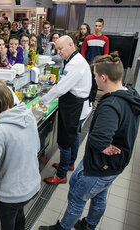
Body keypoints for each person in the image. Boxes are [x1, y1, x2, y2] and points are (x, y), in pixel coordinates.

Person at [39, 52, 140, 230]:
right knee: (100, 195)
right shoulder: (130, 94)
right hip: (115, 164)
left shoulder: (111, 105)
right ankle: (89, 225)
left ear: (103, 77)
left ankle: (62, 228)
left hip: (101, 165)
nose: (94, 79)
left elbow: (99, 138)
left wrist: (102, 146)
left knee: (76, 198)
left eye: (95, 75)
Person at [0, 80, 41, 230]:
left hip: (11, 195)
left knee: (8, 224)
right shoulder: (28, 116)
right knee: (19, 215)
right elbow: (36, 147)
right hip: (32, 186)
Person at [38, 35, 92, 184]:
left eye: (61, 48)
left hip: (74, 107)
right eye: (57, 49)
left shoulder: (75, 64)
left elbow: (62, 88)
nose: (59, 52)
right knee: (73, 136)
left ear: (71, 45)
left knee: (65, 142)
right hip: (77, 106)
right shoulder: (75, 60)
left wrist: (44, 99)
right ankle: (69, 163)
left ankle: (61, 174)